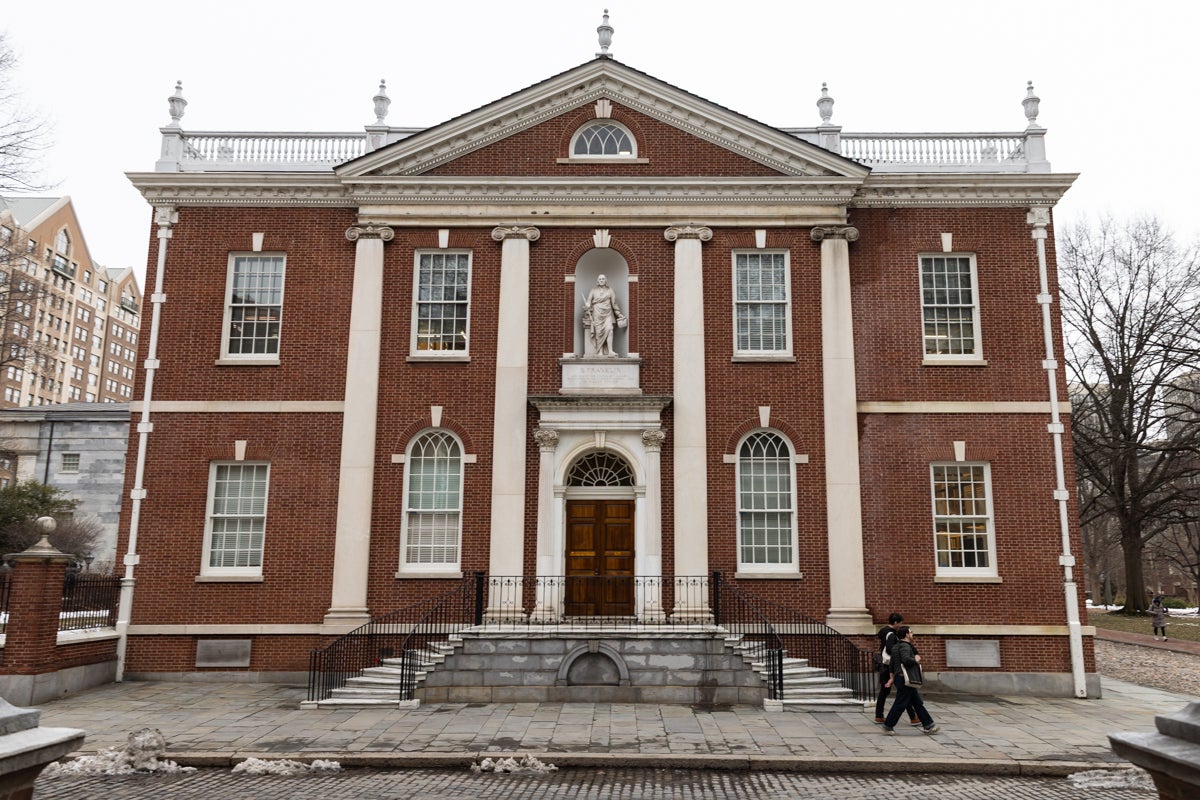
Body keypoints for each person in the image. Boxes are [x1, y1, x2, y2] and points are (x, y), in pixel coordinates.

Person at [880, 627, 939, 735]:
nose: (912, 634)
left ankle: (928, 725)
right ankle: (888, 726)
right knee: (900, 703)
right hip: (905, 679)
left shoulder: (895, 647)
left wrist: (891, 678)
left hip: (899, 677)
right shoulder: (905, 646)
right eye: (911, 632)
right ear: (907, 635)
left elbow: (892, 665)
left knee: (917, 702)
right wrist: (916, 659)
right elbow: (907, 660)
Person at [874, 613, 919, 726]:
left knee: (886, 692)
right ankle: (913, 717)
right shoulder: (892, 634)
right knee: (904, 691)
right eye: (900, 623)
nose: (901, 625)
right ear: (895, 622)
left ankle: (879, 715)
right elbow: (890, 649)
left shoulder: (884, 632)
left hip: (887, 666)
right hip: (892, 666)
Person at [582, 274, 626, 356]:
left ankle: (610, 351)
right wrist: (587, 304)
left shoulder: (610, 290)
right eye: (600, 279)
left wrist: (618, 314)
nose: (601, 280)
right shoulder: (593, 290)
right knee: (599, 332)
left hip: (607, 313)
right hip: (597, 313)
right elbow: (588, 302)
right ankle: (600, 351)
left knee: (610, 330)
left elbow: (614, 303)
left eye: (603, 279)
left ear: (606, 281)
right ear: (597, 281)